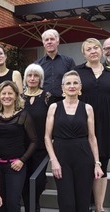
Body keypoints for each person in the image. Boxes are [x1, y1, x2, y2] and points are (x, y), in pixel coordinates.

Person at [44, 70, 103, 212]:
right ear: (63, 87)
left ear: (80, 87)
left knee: (82, 202)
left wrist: (97, 163)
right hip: (62, 157)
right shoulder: (54, 107)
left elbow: (92, 137)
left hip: (84, 157)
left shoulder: (88, 108)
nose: (72, 86)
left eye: (75, 83)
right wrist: (54, 161)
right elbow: (47, 137)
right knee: (67, 203)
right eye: (68, 83)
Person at [73, 38, 110, 212]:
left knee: (101, 165)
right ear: (84, 53)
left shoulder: (109, 72)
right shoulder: (76, 72)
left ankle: (100, 207)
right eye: (89, 49)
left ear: (101, 51)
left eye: (96, 47)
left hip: (106, 126)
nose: (93, 51)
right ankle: (84, 205)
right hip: (82, 126)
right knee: (84, 165)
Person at [0, 81, 37, 212]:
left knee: (13, 203)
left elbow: (34, 141)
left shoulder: (23, 115)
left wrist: (22, 160)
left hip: (16, 167)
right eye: (3, 93)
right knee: (0, 204)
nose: (7, 96)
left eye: (10, 93)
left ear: (16, 96)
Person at [21, 63, 52, 212]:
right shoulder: (19, 98)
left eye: (36, 76)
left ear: (41, 79)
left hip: (41, 148)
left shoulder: (47, 96)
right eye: (29, 75)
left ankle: (35, 205)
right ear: (25, 78)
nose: (32, 78)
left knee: (39, 181)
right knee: (24, 182)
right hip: (21, 148)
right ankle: (31, 209)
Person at [35, 29, 75, 103]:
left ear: (58, 41)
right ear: (43, 43)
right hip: (43, 102)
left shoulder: (68, 61)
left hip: (64, 101)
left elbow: (74, 81)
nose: (49, 42)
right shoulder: (37, 64)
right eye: (46, 40)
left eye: (52, 39)